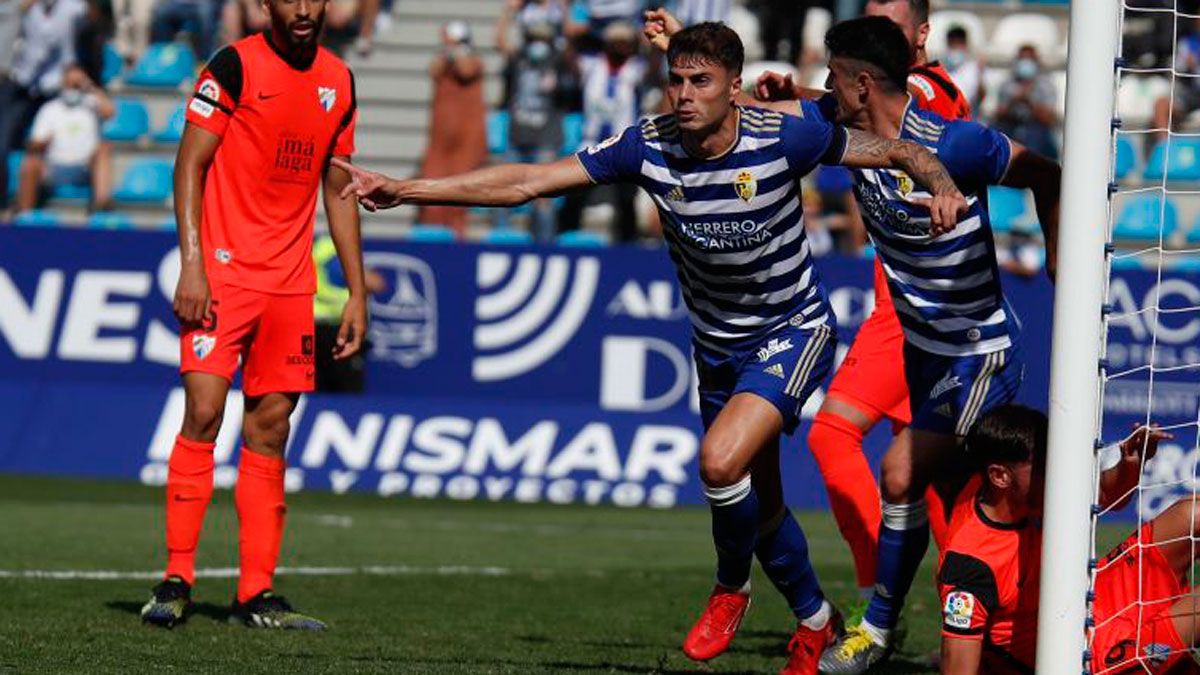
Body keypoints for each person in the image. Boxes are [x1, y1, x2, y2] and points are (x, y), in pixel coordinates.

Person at [333, 21, 968, 674]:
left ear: (734, 89)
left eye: (702, 82)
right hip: (715, 347)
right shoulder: (647, 146)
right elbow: (528, 181)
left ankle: (730, 588)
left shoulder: (785, 136)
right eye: (677, 80)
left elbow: (892, 149)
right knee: (765, 503)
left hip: (792, 330)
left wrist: (939, 180)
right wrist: (408, 189)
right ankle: (816, 621)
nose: (685, 95)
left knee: (721, 463)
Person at [769, 19, 1059, 672]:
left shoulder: (956, 143)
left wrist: (1059, 262)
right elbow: (782, 109)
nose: (827, 90)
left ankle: (876, 628)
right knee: (957, 498)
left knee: (900, 472)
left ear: (862, 83)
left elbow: (1047, 172)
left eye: (835, 77)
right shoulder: (842, 125)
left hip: (977, 348)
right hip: (921, 349)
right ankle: (994, 631)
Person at [138, 0, 368, 631]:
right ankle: (177, 579)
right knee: (205, 412)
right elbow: (190, 164)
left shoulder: (340, 80)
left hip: (291, 283)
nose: (302, 9)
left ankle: (255, 595)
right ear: (263, 4)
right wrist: (192, 263)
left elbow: (339, 184)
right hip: (223, 272)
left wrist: (355, 290)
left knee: (270, 430)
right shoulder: (232, 67)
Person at [937, 405, 1193, 675]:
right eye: (1043, 467)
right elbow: (958, 667)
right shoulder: (970, 566)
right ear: (1000, 476)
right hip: (1083, 657)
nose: (1058, 474)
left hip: (1095, 601)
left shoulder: (1019, 491)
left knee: (1191, 515)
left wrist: (1131, 462)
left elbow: (1103, 494)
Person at [557, 21, 644, 241]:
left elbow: (654, 69)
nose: (620, 47)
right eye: (616, 42)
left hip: (624, 143)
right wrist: (570, 38)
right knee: (574, 196)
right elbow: (570, 62)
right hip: (591, 142)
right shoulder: (592, 65)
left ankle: (626, 246)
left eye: (625, 42)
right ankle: (565, 239)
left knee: (626, 201)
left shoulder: (634, 69)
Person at [0, 0, 86, 213]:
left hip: (54, 84)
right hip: (23, 80)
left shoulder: (72, 8)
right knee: (3, 142)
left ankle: (30, 202)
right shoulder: (24, 8)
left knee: (50, 143)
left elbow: (89, 18)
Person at [418, 20, 488, 235]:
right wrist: (448, 51)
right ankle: (433, 236)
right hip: (440, 143)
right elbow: (432, 70)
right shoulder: (443, 62)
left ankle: (457, 238)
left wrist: (456, 50)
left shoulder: (473, 61)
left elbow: (466, 71)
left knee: (459, 195)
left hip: (466, 142)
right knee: (431, 191)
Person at [15, 64, 113, 212]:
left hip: (84, 167)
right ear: (62, 84)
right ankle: (24, 216)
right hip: (53, 168)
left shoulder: (91, 105)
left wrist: (89, 86)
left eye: (77, 85)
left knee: (103, 149)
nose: (73, 89)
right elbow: (34, 143)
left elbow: (110, 111)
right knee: (30, 164)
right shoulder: (49, 109)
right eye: (70, 84)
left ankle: (101, 207)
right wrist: (42, 143)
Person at [993, 44, 1059, 161]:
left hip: (1038, 130)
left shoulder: (1046, 85)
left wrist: (1029, 102)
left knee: (1034, 135)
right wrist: (1013, 102)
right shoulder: (1007, 84)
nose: (1025, 63)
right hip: (1012, 126)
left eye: (1029, 59)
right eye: (1022, 59)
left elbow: (1049, 119)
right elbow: (998, 114)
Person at [942, 26, 984, 116]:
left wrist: (981, 75)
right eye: (952, 43)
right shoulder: (940, 69)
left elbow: (981, 97)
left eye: (959, 43)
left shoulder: (975, 69)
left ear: (965, 45)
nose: (955, 47)